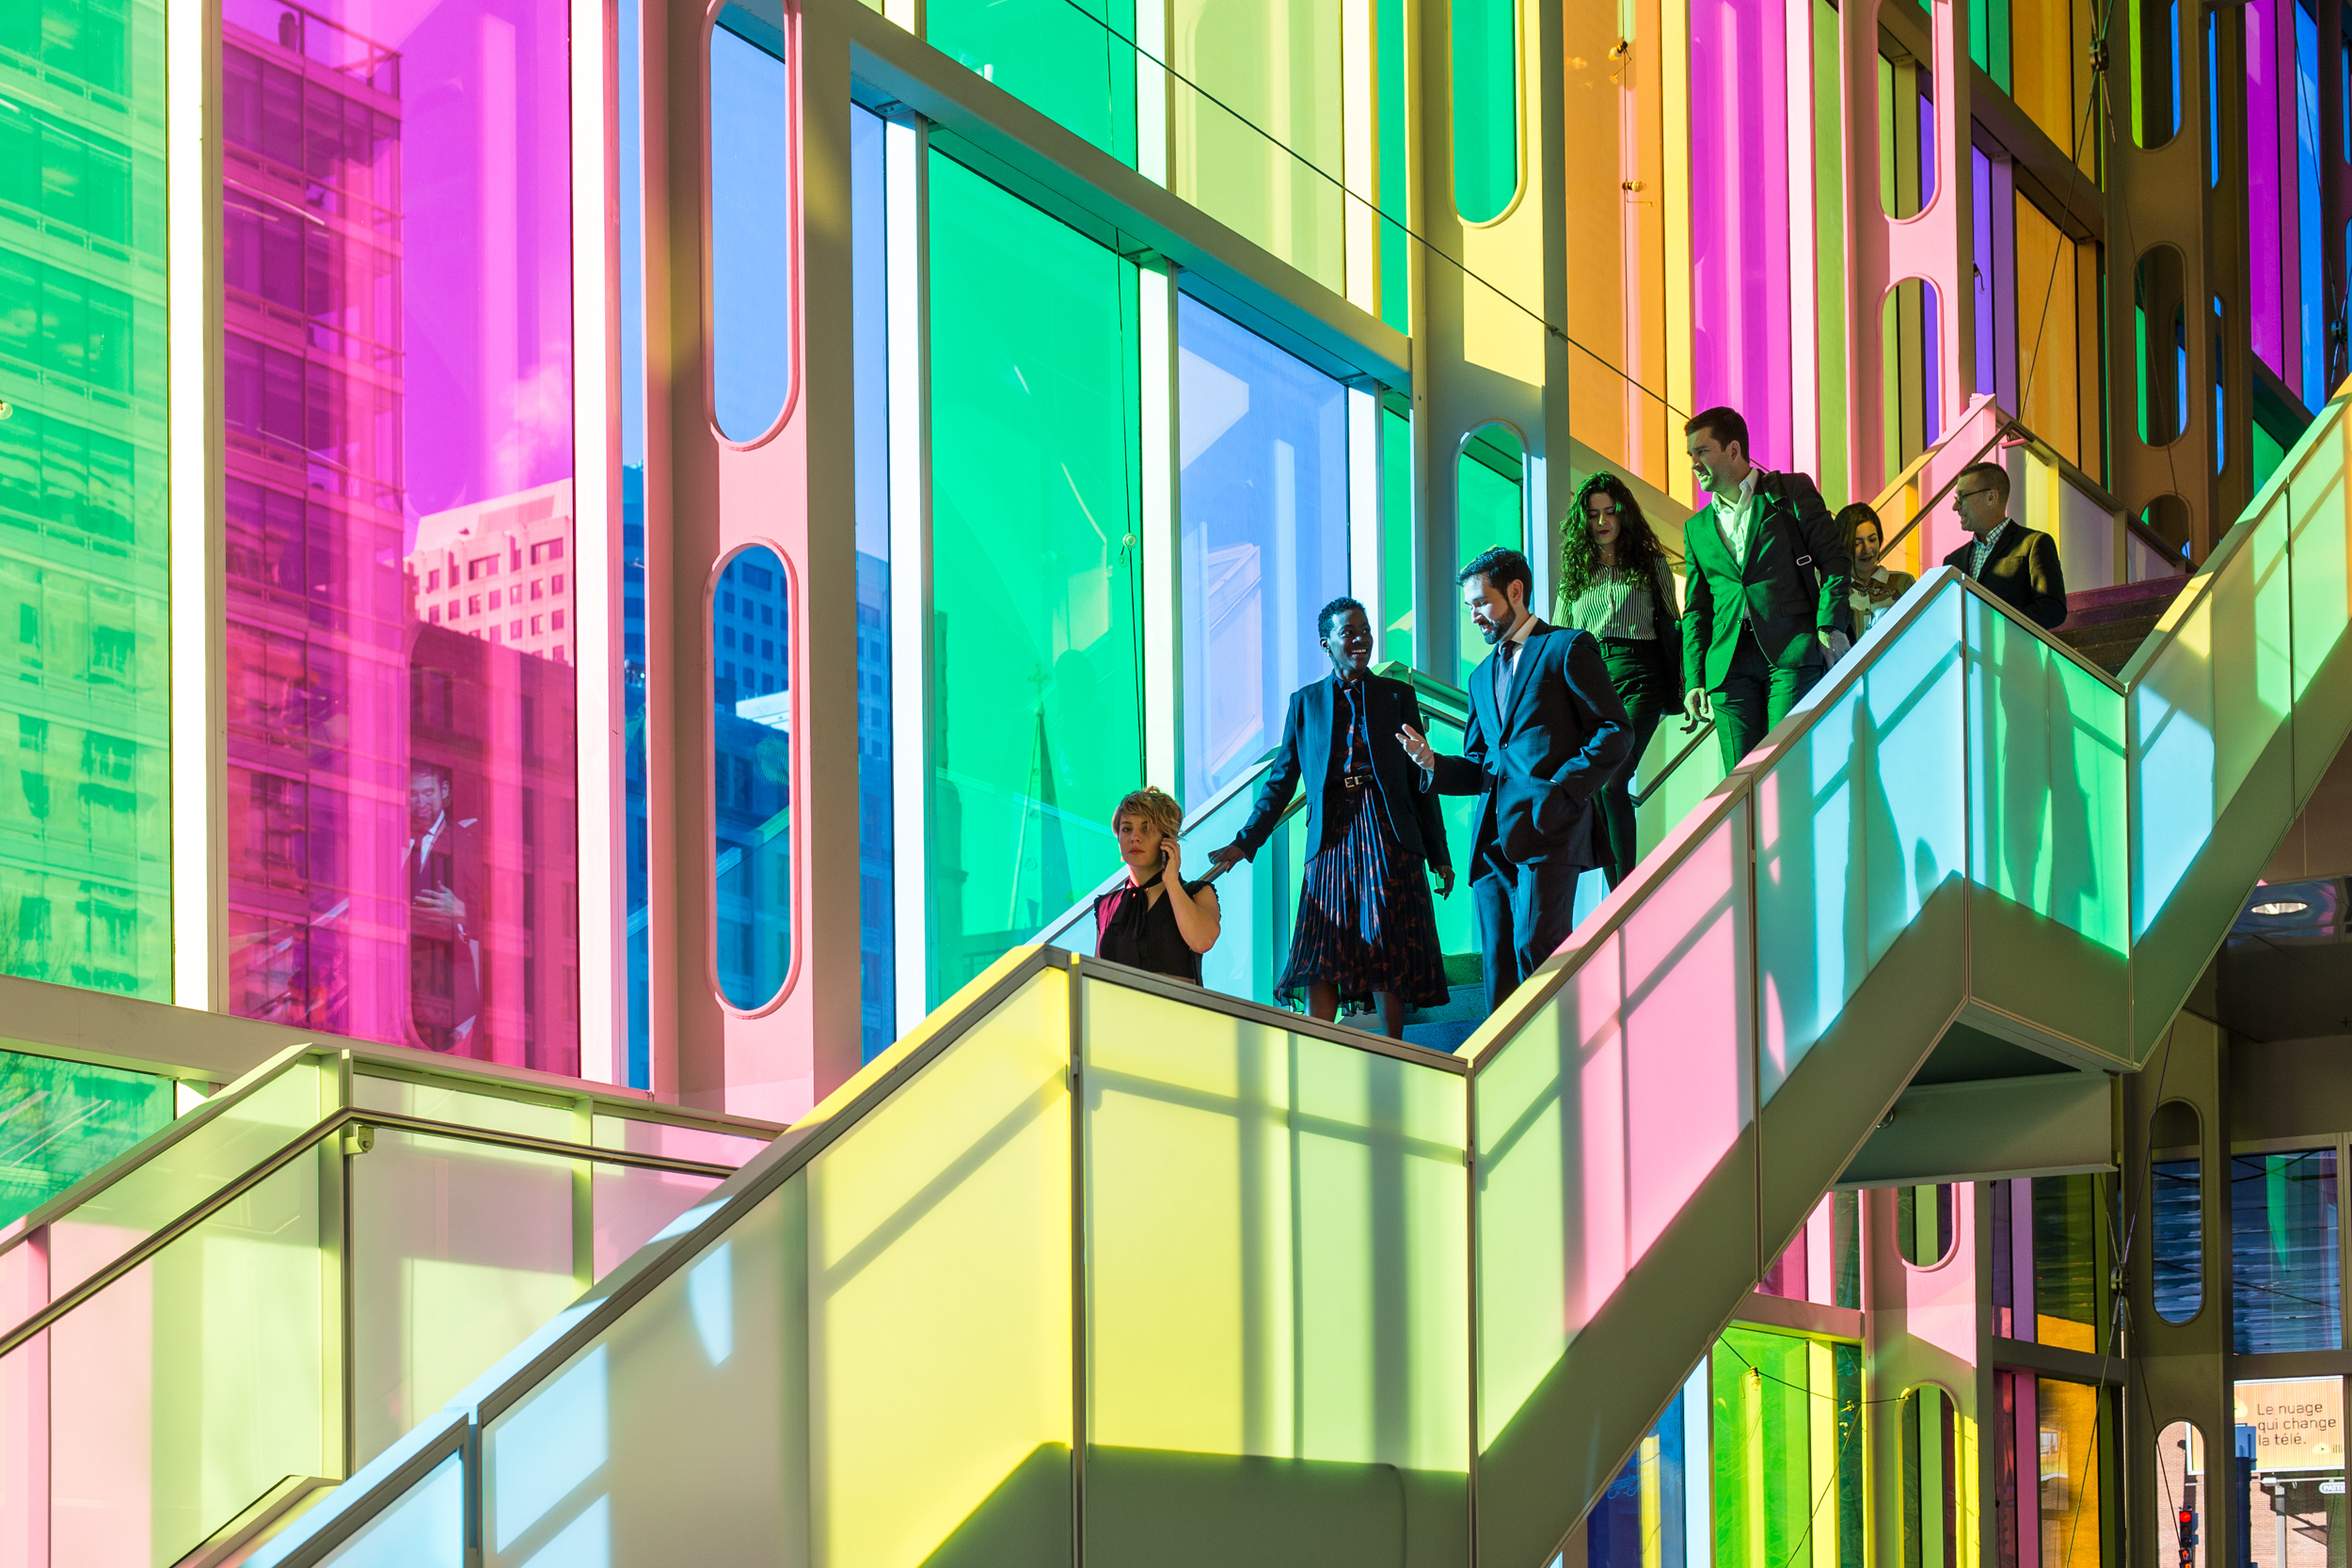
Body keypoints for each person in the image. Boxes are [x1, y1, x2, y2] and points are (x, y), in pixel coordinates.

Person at [1397, 547, 1632, 1017]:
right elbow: (1481, 763)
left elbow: (1615, 731)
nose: (1474, 616)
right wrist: (1431, 764)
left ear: (1516, 592)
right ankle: (1504, 1077)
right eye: (1468, 608)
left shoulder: (1566, 648)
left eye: (1480, 603)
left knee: (1538, 950)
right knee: (1498, 968)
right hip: (1491, 845)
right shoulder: (1480, 676)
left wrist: (1561, 790)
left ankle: (1559, 1059)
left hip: (1549, 831)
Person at [1208, 597, 1453, 1037]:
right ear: (1327, 643)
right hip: (1330, 834)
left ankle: (1392, 1051)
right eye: (1349, 633)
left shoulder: (1398, 695)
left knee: (1386, 939)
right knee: (1321, 945)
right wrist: (1245, 842)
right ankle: (1317, 1050)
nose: (1361, 640)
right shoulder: (1305, 704)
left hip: (1386, 828)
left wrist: (1439, 853)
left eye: (1366, 630)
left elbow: (1423, 776)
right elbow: (1281, 782)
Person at [1678, 406, 1853, 771]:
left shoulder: (1789, 492)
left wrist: (1829, 624)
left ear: (1733, 450)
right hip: (1728, 664)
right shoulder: (1696, 528)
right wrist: (1694, 678)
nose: (1694, 462)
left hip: (1791, 651)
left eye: (1702, 451)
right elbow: (1696, 609)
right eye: (1690, 455)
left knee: (1785, 770)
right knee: (1740, 782)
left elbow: (1835, 560)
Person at [1555, 471, 1680, 889]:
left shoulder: (1650, 562)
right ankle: (1616, 897)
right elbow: (1560, 636)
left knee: (1613, 777)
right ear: (1584, 521)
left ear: (1623, 514)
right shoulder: (1574, 573)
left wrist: (1683, 686)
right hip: (1592, 681)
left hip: (1640, 674)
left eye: (1610, 512)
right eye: (1594, 515)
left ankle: (1627, 889)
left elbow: (1672, 623)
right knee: (1596, 787)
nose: (1603, 521)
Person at [1093, 785, 1220, 983]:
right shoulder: (1105, 906)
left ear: (1167, 840)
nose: (1135, 837)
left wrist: (1171, 881)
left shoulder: (1195, 892)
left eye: (1147, 829)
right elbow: (1095, 978)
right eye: (1126, 829)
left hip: (1175, 1011)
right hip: (1117, 1012)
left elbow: (1202, 941)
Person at [1944, 461, 2067, 628]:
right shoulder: (1953, 560)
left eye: (1963, 497)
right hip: (1966, 654)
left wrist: (1995, 622)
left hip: (2014, 653)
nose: (1955, 506)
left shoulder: (2033, 544)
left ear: (1991, 498)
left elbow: (2052, 610)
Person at [1839, 501, 1916, 638]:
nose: (1866, 549)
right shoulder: (1827, 587)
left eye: (1872, 540)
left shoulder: (1904, 583)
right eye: (1857, 543)